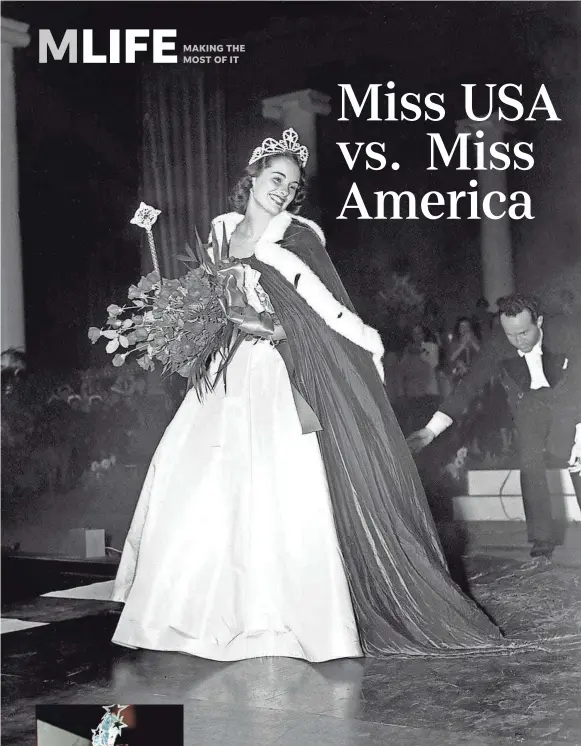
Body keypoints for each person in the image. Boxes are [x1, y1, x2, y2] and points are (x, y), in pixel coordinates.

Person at [111, 128, 511, 662]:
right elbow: (212, 300)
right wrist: (181, 322)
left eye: (292, 185)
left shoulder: (300, 237)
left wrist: (271, 327)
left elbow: (325, 316)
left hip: (278, 373)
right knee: (194, 476)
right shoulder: (220, 231)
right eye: (275, 178)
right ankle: (189, 615)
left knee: (278, 489)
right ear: (250, 178)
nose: (283, 190)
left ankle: (282, 621)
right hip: (224, 375)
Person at [408, 294, 581, 559]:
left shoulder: (567, 332)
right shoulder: (500, 344)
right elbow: (468, 386)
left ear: (541, 322)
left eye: (524, 332)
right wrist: (432, 429)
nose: (518, 342)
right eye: (511, 335)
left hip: (569, 398)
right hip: (528, 404)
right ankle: (542, 538)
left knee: (576, 458)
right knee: (530, 461)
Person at [398, 324, 441, 434]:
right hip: (413, 392)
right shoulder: (408, 349)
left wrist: (419, 351)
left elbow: (433, 363)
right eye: (414, 333)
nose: (417, 336)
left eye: (419, 333)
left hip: (429, 391)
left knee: (427, 423)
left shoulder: (431, 346)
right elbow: (402, 368)